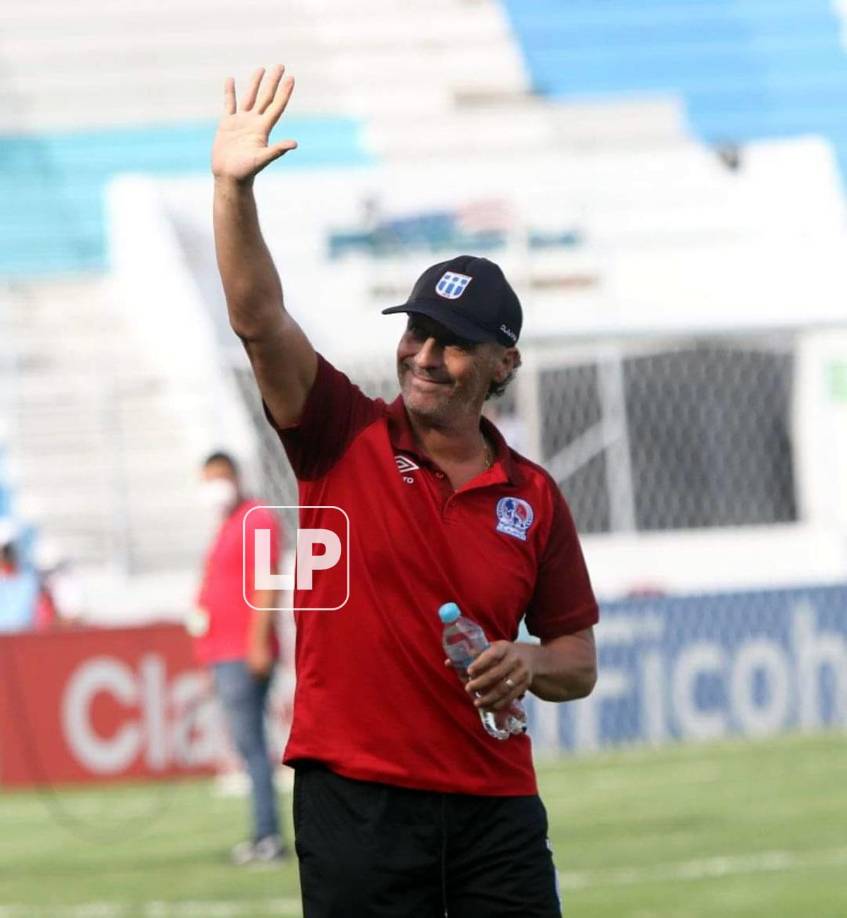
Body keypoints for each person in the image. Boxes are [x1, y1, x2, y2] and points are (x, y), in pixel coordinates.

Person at [212, 65, 599, 916]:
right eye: (417, 332)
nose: (424, 355)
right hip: (358, 802)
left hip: (496, 807)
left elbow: (576, 660)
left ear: (503, 364)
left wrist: (529, 660)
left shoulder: (532, 495)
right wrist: (231, 191)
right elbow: (257, 317)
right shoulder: (337, 430)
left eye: (453, 343)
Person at [193, 450, 286, 864]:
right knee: (247, 747)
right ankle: (263, 832)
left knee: (253, 746)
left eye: (219, 476)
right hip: (225, 650)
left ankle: (268, 835)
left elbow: (268, 583)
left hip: (243, 650)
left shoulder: (256, 517)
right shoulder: (226, 525)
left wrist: (257, 642)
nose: (214, 486)